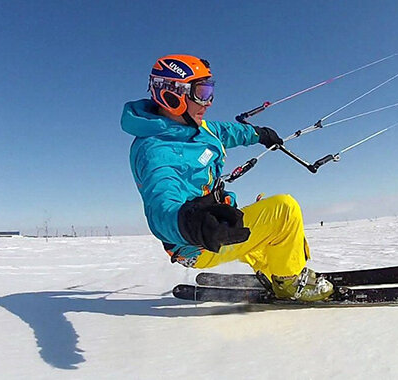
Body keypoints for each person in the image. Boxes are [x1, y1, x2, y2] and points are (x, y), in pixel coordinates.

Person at [120, 54, 333, 301]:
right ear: (173, 93)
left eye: (210, 92)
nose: (208, 102)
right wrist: (195, 225)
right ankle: (290, 282)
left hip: (219, 223)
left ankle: (271, 271)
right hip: (199, 242)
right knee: (284, 211)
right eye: (202, 92)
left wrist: (258, 134)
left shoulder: (196, 127)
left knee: (259, 223)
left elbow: (225, 131)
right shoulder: (157, 151)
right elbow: (161, 206)